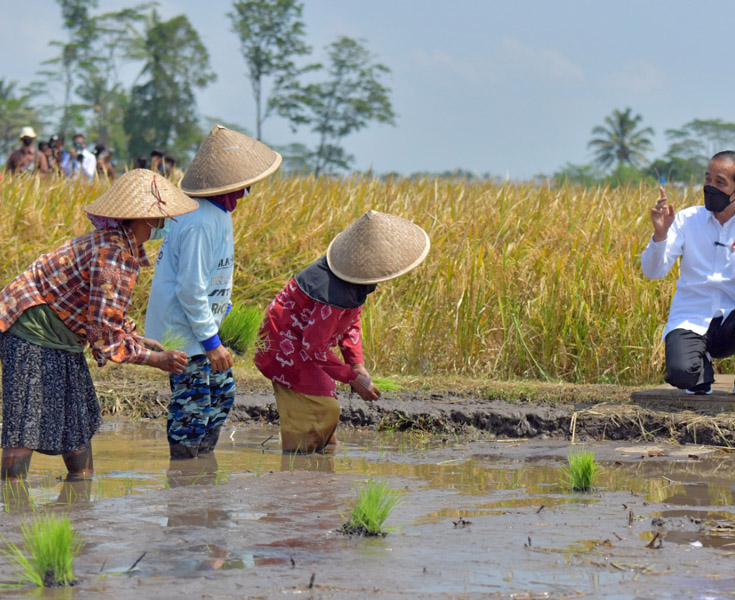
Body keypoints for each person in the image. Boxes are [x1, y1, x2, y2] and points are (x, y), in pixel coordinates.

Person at [0, 169, 197, 480]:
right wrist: (156, 360)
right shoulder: (114, 255)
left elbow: (105, 313)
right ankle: (12, 503)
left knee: (75, 417)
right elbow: (103, 338)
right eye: (164, 216)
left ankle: (80, 495)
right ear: (147, 220)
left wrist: (135, 337)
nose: (167, 223)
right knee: (26, 421)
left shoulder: (120, 245)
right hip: (32, 329)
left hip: (61, 332)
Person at [144, 125, 282, 459]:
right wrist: (211, 342)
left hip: (200, 328)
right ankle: (184, 481)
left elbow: (212, 277)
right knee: (191, 410)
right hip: (183, 332)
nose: (247, 191)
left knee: (221, 396)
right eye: (243, 186)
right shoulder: (200, 221)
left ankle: (201, 470)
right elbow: (190, 289)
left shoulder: (218, 214)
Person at [254, 210, 431, 453]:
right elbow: (313, 346)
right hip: (285, 342)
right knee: (322, 408)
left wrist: (356, 364)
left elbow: (351, 321)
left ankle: (320, 461)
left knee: (325, 408)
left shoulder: (355, 279)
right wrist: (352, 378)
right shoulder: (333, 289)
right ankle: (296, 470)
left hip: (305, 342)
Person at [642, 151, 735, 399]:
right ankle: (700, 365)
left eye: (720, 182)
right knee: (681, 374)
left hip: (733, 321)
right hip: (691, 318)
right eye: (708, 180)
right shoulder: (686, 219)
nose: (710, 187)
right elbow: (653, 271)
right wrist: (660, 235)